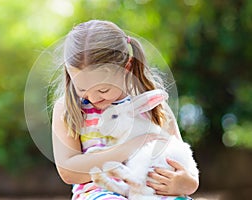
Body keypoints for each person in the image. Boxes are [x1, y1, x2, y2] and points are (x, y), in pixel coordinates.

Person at [51, 20, 199, 200]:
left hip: (152, 191)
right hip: (99, 193)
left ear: (126, 67)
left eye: (103, 90)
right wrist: (132, 146)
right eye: (81, 89)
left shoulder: (152, 106)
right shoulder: (68, 109)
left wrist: (187, 184)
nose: (93, 97)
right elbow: (69, 171)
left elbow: (181, 156)